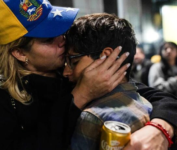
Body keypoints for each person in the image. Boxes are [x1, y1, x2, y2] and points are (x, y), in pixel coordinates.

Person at [0, 0, 177, 150]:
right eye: (48, 38)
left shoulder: (72, 70)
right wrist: (80, 95)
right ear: (20, 52)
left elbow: (158, 97)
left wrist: (160, 128)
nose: (62, 40)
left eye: (60, 30)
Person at [63, 13, 155, 150]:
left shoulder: (92, 117)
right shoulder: (147, 103)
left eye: (73, 62)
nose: (66, 72)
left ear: (106, 56)